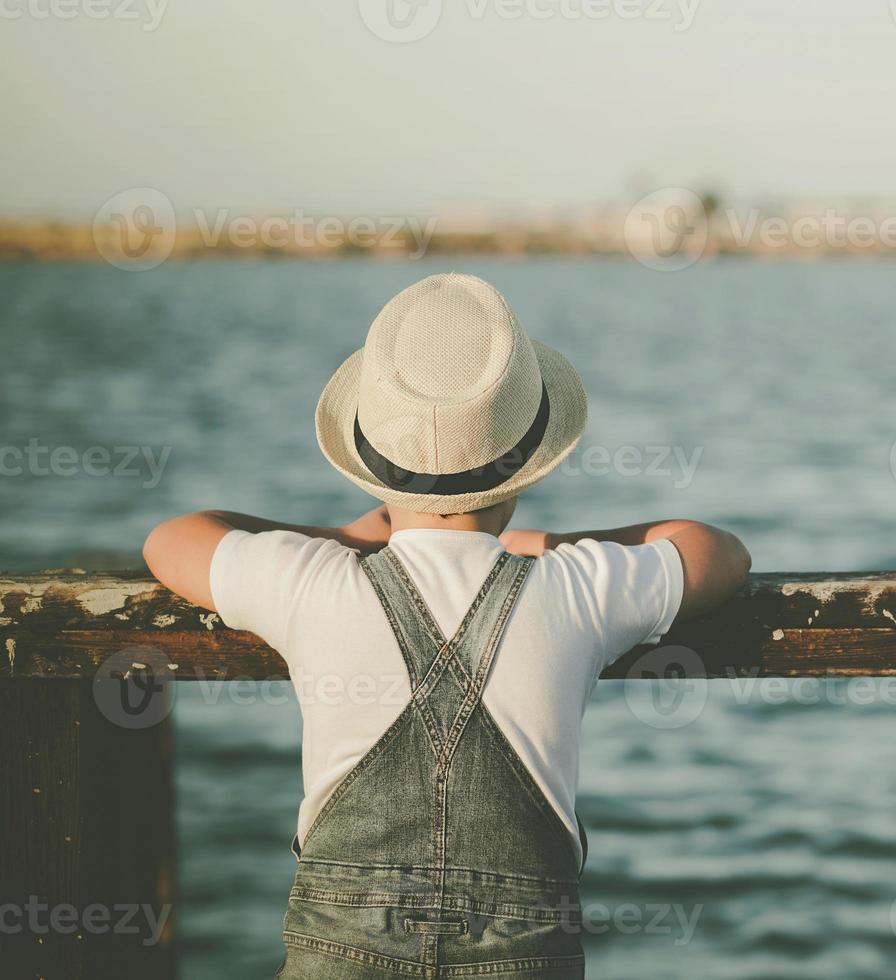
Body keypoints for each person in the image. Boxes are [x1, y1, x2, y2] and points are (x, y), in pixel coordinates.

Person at [143, 273, 751, 979]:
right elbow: (716, 550)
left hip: (337, 951)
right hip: (524, 956)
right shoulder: (579, 587)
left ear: (369, 465)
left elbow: (173, 538)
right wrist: (547, 544)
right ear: (526, 468)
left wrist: (338, 536)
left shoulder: (310, 580)